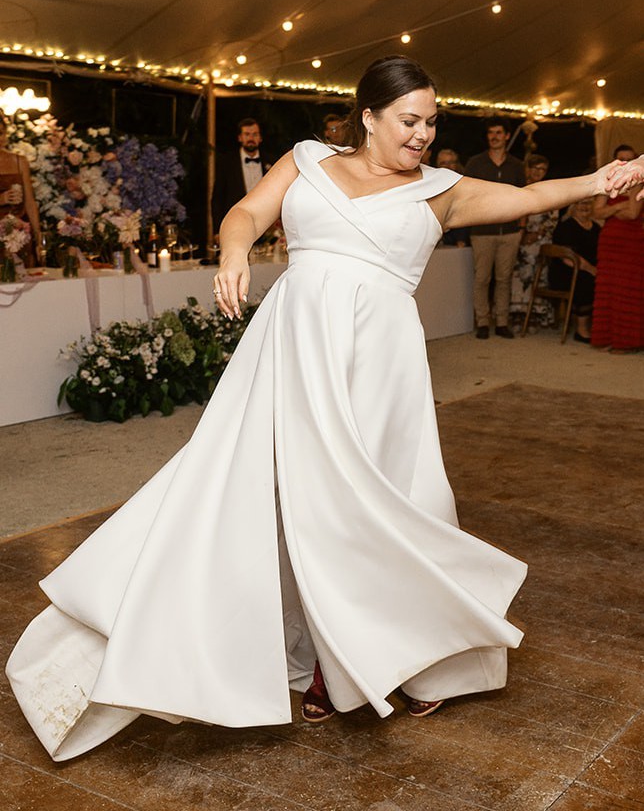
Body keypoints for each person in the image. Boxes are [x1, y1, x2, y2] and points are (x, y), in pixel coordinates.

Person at [7, 55, 642, 761]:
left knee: (382, 504)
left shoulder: (442, 191)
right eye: (409, 120)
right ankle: (320, 657)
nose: (423, 135)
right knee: (284, 496)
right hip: (294, 347)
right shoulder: (306, 160)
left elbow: (532, 196)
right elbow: (247, 213)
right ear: (368, 117)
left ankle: (407, 655)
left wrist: (602, 179)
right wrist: (234, 253)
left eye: (432, 123)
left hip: (379, 366)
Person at [465, 117, 526, 339]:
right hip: (482, 231)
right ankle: (482, 321)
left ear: (507, 136)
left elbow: (524, 197)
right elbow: (466, 195)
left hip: (510, 232)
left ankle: (502, 322)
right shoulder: (475, 163)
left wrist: (521, 228)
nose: (494, 137)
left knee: (504, 278)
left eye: (499, 133)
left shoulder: (517, 165)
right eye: (491, 133)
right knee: (482, 278)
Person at [591, 145, 644, 353]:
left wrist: (610, 210)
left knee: (627, 291)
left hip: (632, 243)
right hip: (609, 244)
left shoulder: (637, 182)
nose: (626, 163)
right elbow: (596, 212)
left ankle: (627, 342)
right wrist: (618, 207)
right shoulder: (606, 181)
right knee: (608, 290)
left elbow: (632, 213)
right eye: (622, 159)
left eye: (630, 159)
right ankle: (606, 338)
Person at [510, 154, 559, 330]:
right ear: (527, 169)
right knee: (518, 277)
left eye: (543, 169)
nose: (539, 172)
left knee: (539, 276)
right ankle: (518, 313)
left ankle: (537, 314)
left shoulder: (548, 190)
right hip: (518, 238)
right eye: (536, 168)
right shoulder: (518, 188)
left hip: (541, 242)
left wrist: (537, 234)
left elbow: (553, 218)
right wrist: (521, 233)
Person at [550, 198, 601, 342]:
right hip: (567, 271)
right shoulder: (566, 227)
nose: (585, 207)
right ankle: (581, 330)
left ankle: (601, 327)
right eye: (581, 203)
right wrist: (592, 270)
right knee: (586, 280)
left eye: (588, 203)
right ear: (573, 206)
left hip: (591, 269)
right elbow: (568, 258)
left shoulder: (596, 227)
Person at [212, 117, 272, 232]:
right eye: (247, 134)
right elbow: (217, 199)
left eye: (255, 134)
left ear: (260, 138)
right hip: (235, 224)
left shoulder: (271, 161)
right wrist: (217, 230)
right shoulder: (227, 163)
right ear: (240, 138)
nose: (251, 138)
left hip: (266, 225)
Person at [0, 115, 42, 265]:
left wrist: (38, 236)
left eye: (0, 133)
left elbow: (29, 201)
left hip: (19, 232)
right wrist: (2, 199)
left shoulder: (19, 161)